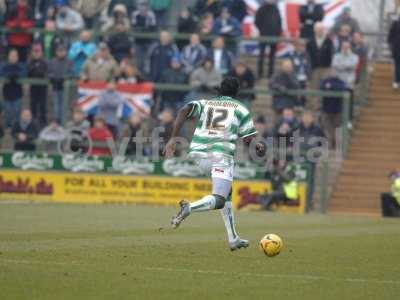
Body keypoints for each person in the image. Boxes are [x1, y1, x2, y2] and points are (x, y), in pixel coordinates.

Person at [164, 77, 265, 251]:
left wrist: (173, 137)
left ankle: (233, 238)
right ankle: (189, 208)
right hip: (220, 155)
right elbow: (249, 139)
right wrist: (260, 146)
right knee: (218, 199)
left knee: (227, 193)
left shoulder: (207, 103)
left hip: (198, 154)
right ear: (236, 92)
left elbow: (184, 109)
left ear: (220, 90)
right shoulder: (240, 109)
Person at [320, 69, 347, 149]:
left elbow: (342, 88)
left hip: (337, 110)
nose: (332, 73)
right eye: (331, 72)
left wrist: (330, 86)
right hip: (326, 110)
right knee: (328, 129)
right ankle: (330, 146)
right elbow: (321, 87)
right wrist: (330, 87)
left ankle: (337, 146)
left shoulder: (340, 81)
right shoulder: (325, 81)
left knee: (337, 129)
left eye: (334, 72)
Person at [332, 41, 358, 122]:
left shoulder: (355, 56)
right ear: (341, 47)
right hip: (338, 83)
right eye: (344, 47)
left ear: (350, 48)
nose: (345, 49)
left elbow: (353, 65)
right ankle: (338, 120)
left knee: (349, 103)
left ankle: (349, 121)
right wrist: (346, 66)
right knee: (338, 102)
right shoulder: (336, 56)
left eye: (347, 47)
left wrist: (341, 66)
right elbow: (335, 65)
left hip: (349, 84)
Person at [255, 0, 282, 78]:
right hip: (263, 36)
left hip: (274, 36)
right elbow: (256, 21)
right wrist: (262, 30)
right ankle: (260, 73)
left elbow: (279, 22)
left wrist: (278, 33)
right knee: (261, 55)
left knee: (272, 56)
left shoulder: (276, 9)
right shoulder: (261, 8)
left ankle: (270, 74)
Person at [48, 44, 74, 125]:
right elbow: (49, 73)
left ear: (65, 52)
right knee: (56, 108)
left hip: (65, 89)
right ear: (56, 52)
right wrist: (53, 77)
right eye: (59, 51)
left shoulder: (69, 62)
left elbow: (72, 73)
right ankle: (57, 124)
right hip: (55, 87)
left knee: (64, 108)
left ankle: (63, 125)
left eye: (62, 51)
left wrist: (64, 77)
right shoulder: (52, 61)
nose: (61, 53)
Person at [1, 49, 25, 128]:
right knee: (7, 113)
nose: (13, 57)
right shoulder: (4, 65)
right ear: (8, 57)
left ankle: (16, 129)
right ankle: (8, 129)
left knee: (17, 112)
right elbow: (2, 73)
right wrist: (10, 75)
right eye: (11, 55)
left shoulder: (20, 65)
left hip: (17, 93)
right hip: (7, 94)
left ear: (17, 57)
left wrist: (15, 75)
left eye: (15, 56)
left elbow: (23, 73)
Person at [131, 0, 157, 74]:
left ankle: (146, 75)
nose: (143, 7)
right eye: (142, 5)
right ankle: (138, 74)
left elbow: (153, 28)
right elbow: (134, 27)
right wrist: (143, 29)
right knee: (138, 60)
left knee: (147, 59)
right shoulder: (135, 14)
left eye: (145, 5)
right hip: (138, 41)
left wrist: (144, 29)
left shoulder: (151, 14)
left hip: (148, 41)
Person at [307, 22, 334, 90]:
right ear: (314, 30)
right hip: (314, 69)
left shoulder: (328, 41)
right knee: (314, 89)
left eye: (321, 29)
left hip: (326, 69)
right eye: (318, 29)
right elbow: (308, 55)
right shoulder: (310, 41)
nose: (319, 31)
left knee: (325, 88)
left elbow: (331, 54)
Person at [27, 43, 48, 127]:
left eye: (38, 51)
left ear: (41, 52)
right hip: (33, 87)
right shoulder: (30, 62)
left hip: (43, 87)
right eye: (34, 51)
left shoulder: (45, 62)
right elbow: (28, 73)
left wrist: (37, 69)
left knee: (43, 105)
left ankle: (43, 122)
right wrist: (35, 68)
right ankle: (33, 122)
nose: (36, 53)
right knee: (33, 104)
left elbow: (44, 73)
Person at [286, 39, 311, 106]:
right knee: (295, 91)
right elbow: (290, 66)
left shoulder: (306, 55)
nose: (302, 48)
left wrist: (308, 76)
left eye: (303, 46)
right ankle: (295, 104)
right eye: (300, 46)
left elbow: (308, 66)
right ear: (296, 46)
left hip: (304, 77)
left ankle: (302, 105)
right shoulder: (292, 55)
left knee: (303, 92)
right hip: (295, 76)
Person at [388, 12, 400, 89]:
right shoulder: (395, 23)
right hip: (397, 49)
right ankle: (396, 81)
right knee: (397, 66)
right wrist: (392, 44)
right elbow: (390, 36)